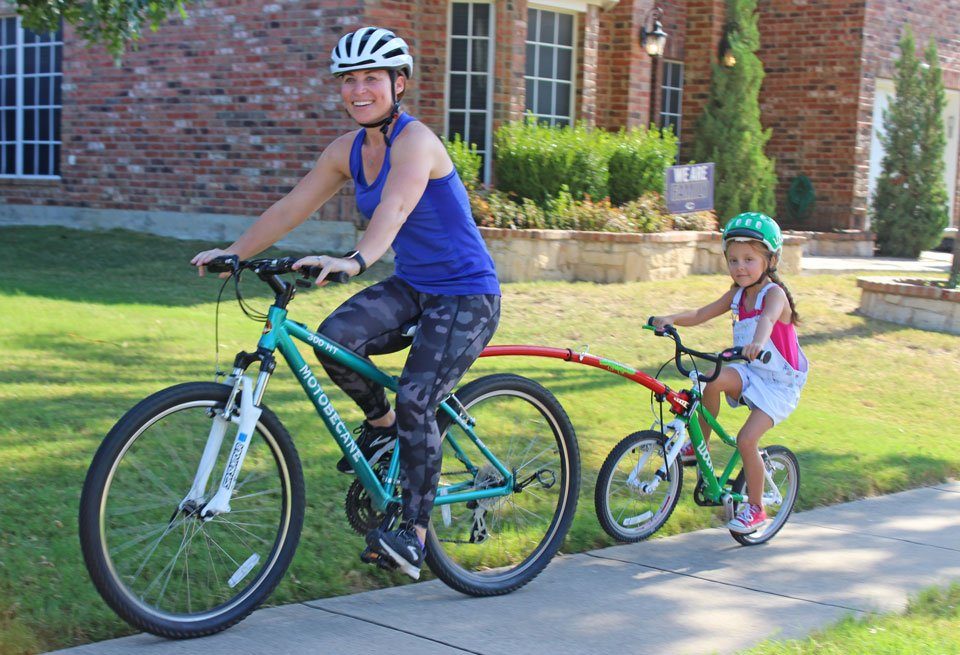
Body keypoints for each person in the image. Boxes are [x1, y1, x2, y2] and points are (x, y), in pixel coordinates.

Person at [190, 26, 501, 579]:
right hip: (415, 287)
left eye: (372, 79)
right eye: (349, 80)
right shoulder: (348, 150)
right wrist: (235, 252)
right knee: (334, 340)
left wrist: (357, 260)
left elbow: (397, 207)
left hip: (466, 294)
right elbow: (292, 207)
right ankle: (381, 430)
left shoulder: (417, 142)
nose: (359, 90)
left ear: (398, 84)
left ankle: (414, 533)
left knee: (417, 398)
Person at [651, 212, 808, 534]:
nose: (740, 267)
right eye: (733, 260)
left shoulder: (774, 295)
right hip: (751, 371)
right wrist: (670, 318)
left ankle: (756, 508)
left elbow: (767, 319)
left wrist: (757, 343)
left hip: (779, 385)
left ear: (771, 259)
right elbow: (702, 313)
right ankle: (699, 447)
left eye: (749, 259)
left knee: (746, 439)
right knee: (708, 379)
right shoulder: (737, 293)